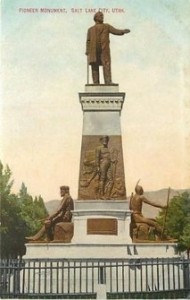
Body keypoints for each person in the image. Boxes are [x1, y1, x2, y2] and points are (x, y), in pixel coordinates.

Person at [85, 11, 130, 84]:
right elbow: (88, 41)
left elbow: (115, 31)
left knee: (106, 64)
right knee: (94, 65)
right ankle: (95, 83)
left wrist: (123, 31)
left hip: (104, 49)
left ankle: (108, 81)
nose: (102, 17)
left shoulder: (107, 26)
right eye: (100, 15)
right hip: (93, 50)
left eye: (102, 16)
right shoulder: (90, 29)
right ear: (95, 18)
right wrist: (87, 51)